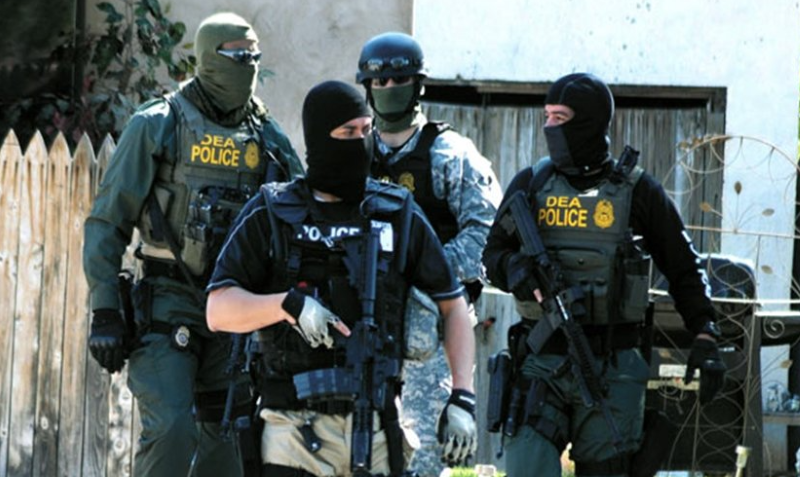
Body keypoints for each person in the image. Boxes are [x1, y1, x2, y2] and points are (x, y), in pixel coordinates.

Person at [205, 80, 478, 477]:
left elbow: (453, 305)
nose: (360, 142)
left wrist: (463, 397)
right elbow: (218, 309)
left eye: (367, 130)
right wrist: (288, 305)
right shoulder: (271, 212)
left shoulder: (396, 212)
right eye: (348, 132)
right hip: (293, 433)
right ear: (320, 137)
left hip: (377, 429)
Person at [82, 12, 302, 477]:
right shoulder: (159, 124)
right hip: (168, 302)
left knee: (228, 438)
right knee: (172, 429)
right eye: (237, 56)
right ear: (207, 57)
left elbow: (300, 214)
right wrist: (105, 309)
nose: (249, 65)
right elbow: (107, 221)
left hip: (234, 311)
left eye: (254, 56)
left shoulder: (266, 136)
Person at [482, 72, 727, 477]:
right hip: (543, 359)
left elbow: (683, 266)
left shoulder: (638, 191)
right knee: (528, 465)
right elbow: (491, 254)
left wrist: (704, 333)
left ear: (590, 122)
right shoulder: (532, 183)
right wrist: (514, 269)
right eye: (547, 116)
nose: (549, 127)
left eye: (560, 118)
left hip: (613, 367)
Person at [355, 31, 502, 474]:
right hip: (364, 325)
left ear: (417, 85)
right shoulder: (354, 152)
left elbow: (486, 235)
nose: (388, 89)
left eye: (398, 80)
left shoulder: (451, 155)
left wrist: (426, 276)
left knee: (419, 459)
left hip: (430, 330)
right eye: (379, 82)